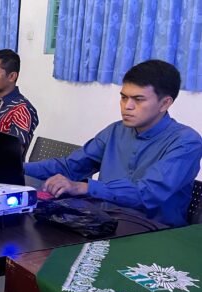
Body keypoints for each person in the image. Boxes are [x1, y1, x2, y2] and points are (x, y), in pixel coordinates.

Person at [25, 59, 202, 228]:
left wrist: (84, 187)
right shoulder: (116, 130)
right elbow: (71, 166)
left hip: (155, 234)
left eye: (138, 99)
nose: (127, 106)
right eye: (124, 97)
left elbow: (147, 192)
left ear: (165, 103)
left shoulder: (186, 142)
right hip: (103, 223)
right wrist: (15, 167)